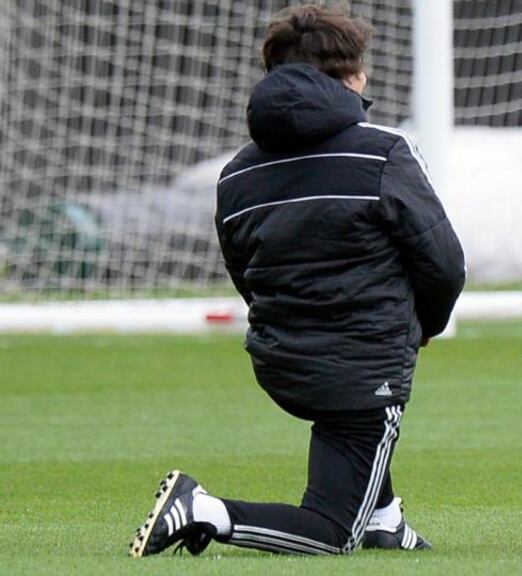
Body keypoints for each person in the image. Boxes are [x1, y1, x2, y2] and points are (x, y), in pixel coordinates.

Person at [130, 3, 465, 558]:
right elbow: (444, 262)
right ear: (353, 76)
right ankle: (205, 510)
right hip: (364, 363)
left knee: (354, 435)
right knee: (333, 534)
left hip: (280, 361)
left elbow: (246, 273)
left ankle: (385, 518)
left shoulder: (236, 171)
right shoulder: (383, 151)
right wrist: (423, 325)